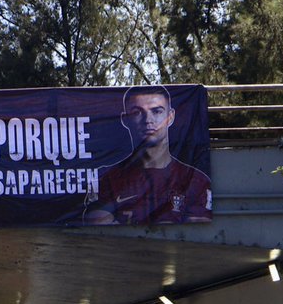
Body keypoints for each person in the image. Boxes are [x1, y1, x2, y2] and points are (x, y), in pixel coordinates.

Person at [84, 85, 212, 225]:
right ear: (125, 119)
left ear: (170, 117)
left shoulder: (195, 179)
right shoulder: (107, 179)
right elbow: (98, 225)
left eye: (157, 111)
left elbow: (196, 232)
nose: (148, 120)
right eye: (137, 112)